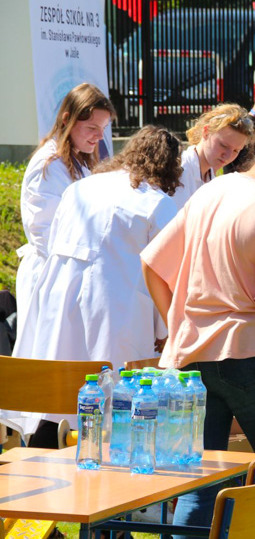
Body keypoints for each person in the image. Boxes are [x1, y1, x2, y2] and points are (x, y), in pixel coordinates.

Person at [141, 96, 255, 536]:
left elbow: (151, 264)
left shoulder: (211, 190)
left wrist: (178, 324)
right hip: (246, 359)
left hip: (188, 357)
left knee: (200, 486)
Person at [12, 125, 181, 448]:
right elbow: (164, 270)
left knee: (58, 385)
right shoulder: (158, 203)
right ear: (169, 167)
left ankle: (42, 449)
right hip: (117, 301)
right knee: (111, 393)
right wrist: (164, 328)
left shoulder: (83, 186)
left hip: (60, 293)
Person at [15, 83, 115, 354]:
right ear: (67, 119)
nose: (98, 137)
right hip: (50, 274)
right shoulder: (48, 164)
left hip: (68, 274)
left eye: (103, 130)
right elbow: (43, 231)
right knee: (44, 357)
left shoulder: (79, 159)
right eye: (92, 128)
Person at [172, 104, 254, 207]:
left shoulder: (211, 176)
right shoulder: (180, 171)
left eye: (236, 151)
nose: (228, 156)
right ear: (206, 132)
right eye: (223, 145)